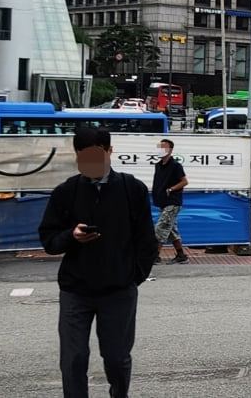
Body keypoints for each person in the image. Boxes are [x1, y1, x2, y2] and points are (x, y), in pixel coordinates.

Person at [38, 127, 158, 398]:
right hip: (75, 290)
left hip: (118, 290)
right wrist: (72, 236)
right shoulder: (65, 191)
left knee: (116, 357)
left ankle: (119, 393)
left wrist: (132, 276)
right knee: (73, 359)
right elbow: (49, 240)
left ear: (110, 151)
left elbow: (146, 241)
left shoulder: (132, 189)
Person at [152, 138, 189, 264]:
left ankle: (154, 255)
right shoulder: (158, 165)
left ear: (170, 149)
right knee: (171, 229)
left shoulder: (175, 165)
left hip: (173, 201)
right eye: (159, 147)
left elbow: (184, 181)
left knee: (161, 226)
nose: (161, 149)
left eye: (164, 147)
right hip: (162, 201)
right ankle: (181, 255)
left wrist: (171, 189)